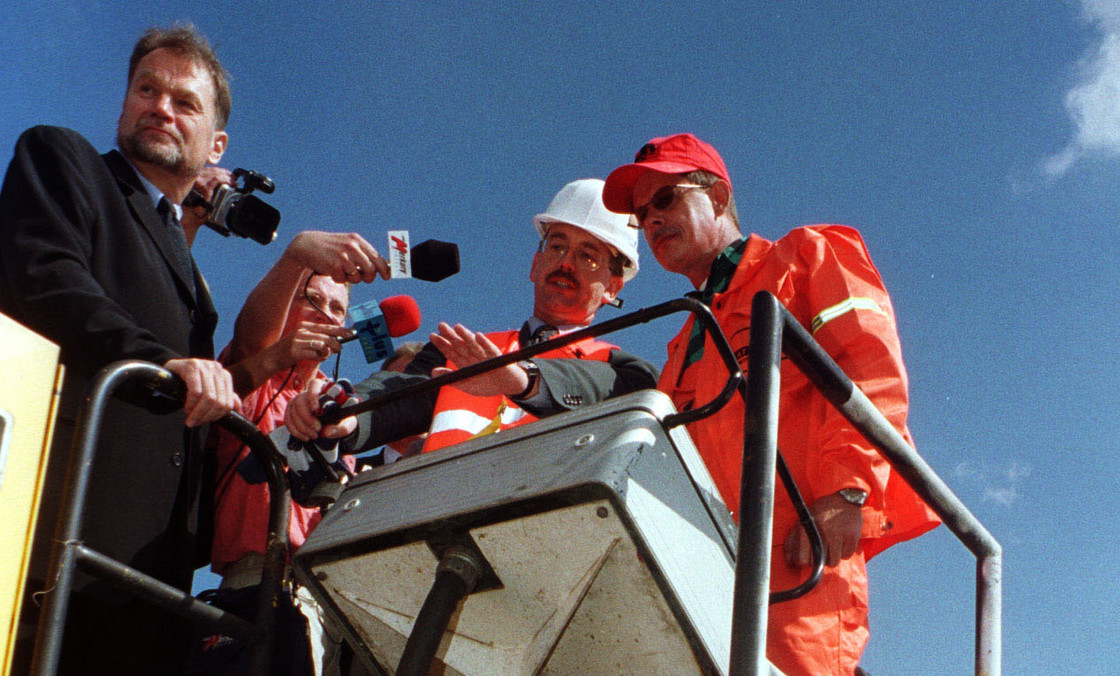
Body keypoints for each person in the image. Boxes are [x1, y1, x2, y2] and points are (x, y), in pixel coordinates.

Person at [602, 133, 941, 676]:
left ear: (715, 196)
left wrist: (846, 489)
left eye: (664, 199)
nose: (652, 222)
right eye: (643, 214)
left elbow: (867, 366)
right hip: (706, 559)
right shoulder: (683, 342)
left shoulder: (805, 256)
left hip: (795, 541)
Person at [0, 24, 242, 674]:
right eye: (147, 90)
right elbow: (47, 278)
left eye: (185, 102)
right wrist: (160, 363)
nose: (161, 106)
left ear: (216, 145)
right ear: (124, 105)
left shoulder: (193, 278)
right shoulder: (62, 159)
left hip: (151, 584)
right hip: (51, 538)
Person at [284, 178, 658, 461]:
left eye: (587, 256)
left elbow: (605, 388)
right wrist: (348, 414)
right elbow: (396, 391)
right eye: (557, 246)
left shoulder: (622, 372)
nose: (564, 263)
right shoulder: (459, 351)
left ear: (612, 286)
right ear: (534, 264)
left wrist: (522, 380)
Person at [192, 231, 389, 676]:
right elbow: (249, 344)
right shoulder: (258, 378)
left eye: (337, 308)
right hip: (255, 586)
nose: (325, 315)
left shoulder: (342, 411)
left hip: (331, 604)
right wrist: (294, 256)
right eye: (311, 299)